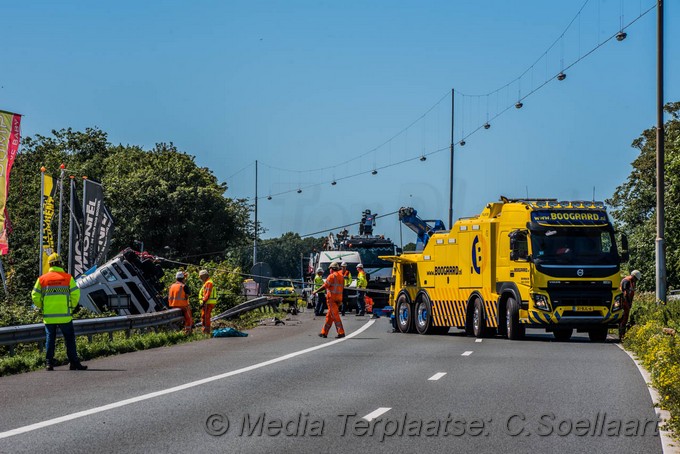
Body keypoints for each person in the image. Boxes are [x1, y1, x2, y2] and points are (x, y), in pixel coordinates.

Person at [31, 253, 87, 371]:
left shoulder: (42, 279)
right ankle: (74, 363)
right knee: (69, 339)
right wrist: (70, 307)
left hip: (49, 316)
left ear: (50, 264)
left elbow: (35, 296)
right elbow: (76, 294)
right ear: (60, 263)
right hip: (65, 315)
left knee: (50, 339)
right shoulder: (67, 278)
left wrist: (43, 306)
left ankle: (49, 363)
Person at [312, 262, 345, 338]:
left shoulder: (331, 276)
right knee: (329, 316)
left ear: (332, 269)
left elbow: (325, 286)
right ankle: (324, 332)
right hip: (339, 298)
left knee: (335, 316)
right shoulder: (341, 276)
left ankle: (341, 332)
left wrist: (316, 291)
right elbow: (342, 287)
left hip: (332, 299)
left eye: (330, 269)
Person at [619, 270, 641, 339]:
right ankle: (622, 335)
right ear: (633, 276)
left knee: (625, 317)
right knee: (623, 318)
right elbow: (625, 293)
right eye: (636, 279)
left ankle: (623, 334)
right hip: (624, 302)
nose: (636, 281)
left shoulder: (632, 281)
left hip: (627, 302)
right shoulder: (627, 281)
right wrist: (628, 302)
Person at [198, 269, 217, 334]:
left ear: (204, 276)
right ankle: (206, 331)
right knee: (205, 317)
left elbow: (207, 294)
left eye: (201, 277)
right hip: (207, 303)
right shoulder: (207, 282)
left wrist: (203, 302)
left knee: (205, 318)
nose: (200, 278)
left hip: (207, 303)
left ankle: (206, 332)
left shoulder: (208, 283)